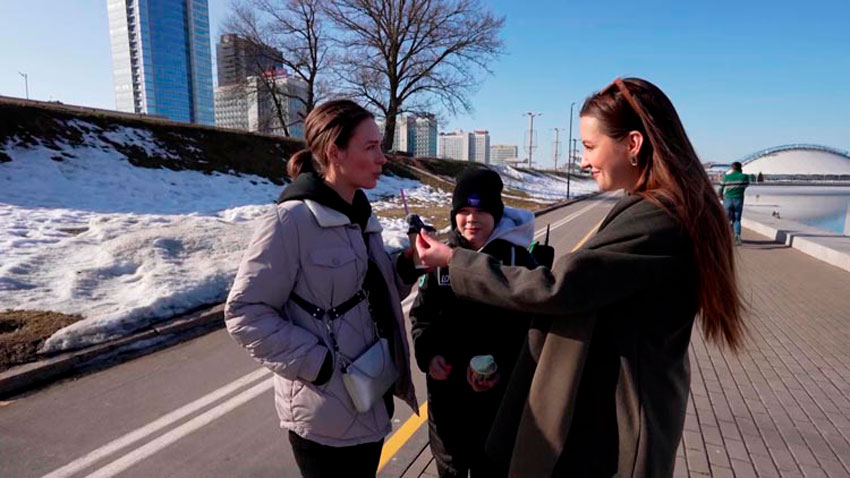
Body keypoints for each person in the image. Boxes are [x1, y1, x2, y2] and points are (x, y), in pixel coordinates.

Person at [415, 78, 746, 478]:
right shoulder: (660, 208)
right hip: (619, 410)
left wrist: (454, 261)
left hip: (623, 424)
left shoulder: (657, 218)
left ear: (633, 144)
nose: (585, 162)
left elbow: (560, 288)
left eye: (590, 147)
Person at [224, 99, 418, 478]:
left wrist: (408, 265)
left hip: (370, 398)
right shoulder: (291, 221)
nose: (382, 158)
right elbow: (244, 313)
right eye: (371, 147)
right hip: (325, 417)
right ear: (334, 152)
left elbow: (368, 298)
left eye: (380, 146)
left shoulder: (361, 216)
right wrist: (319, 365)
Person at [409, 168, 538, 478]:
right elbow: (421, 316)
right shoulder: (440, 258)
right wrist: (429, 355)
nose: (471, 219)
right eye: (464, 211)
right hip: (447, 401)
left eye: (481, 211)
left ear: (496, 213)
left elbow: (533, 331)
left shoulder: (518, 261)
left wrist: (501, 367)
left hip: (498, 403)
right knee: (450, 467)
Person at [720, 161, 750, 245]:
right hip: (738, 200)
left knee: (726, 220)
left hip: (728, 200)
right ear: (741, 168)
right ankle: (737, 237)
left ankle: (725, 237)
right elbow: (746, 185)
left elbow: (720, 188)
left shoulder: (726, 177)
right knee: (737, 220)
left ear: (732, 168)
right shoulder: (744, 177)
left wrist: (721, 196)